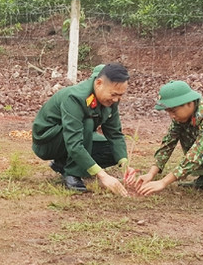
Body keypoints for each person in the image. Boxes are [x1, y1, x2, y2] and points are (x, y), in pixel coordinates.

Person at [31, 63, 131, 195]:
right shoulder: (75, 98)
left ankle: (63, 163)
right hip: (48, 142)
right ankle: (73, 173)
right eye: (114, 94)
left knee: (114, 152)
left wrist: (125, 165)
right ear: (99, 83)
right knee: (87, 122)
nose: (117, 99)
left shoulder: (110, 100)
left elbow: (115, 134)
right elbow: (74, 143)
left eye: (120, 95)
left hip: (74, 137)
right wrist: (103, 176)